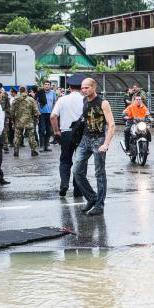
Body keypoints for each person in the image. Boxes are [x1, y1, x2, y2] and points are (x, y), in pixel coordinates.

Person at [72, 78, 116, 215]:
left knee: (99, 173)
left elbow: (112, 125)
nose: (84, 90)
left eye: (86, 88)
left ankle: (99, 205)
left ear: (94, 87)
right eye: (82, 88)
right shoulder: (84, 101)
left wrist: (106, 144)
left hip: (99, 140)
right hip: (85, 139)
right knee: (77, 171)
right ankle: (92, 197)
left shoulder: (103, 103)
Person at [51, 73, 87, 197]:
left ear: (70, 87)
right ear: (81, 87)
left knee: (65, 160)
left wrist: (56, 131)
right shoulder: (85, 100)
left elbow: (53, 116)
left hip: (66, 133)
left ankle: (64, 184)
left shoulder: (62, 99)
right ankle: (78, 189)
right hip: (82, 134)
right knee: (81, 161)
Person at [10, 86, 40, 157]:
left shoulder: (15, 100)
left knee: (17, 137)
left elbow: (11, 112)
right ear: (26, 91)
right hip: (29, 121)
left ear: (19, 91)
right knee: (31, 137)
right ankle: (33, 151)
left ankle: (16, 151)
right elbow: (36, 112)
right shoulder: (31, 99)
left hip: (18, 121)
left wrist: (13, 120)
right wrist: (36, 119)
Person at [37, 81, 57, 152]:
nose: (47, 86)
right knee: (42, 130)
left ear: (50, 86)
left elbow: (55, 103)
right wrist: (38, 111)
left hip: (50, 114)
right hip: (41, 114)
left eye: (48, 84)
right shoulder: (40, 93)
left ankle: (46, 146)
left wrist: (54, 112)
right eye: (45, 84)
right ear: (43, 85)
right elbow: (36, 103)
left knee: (49, 130)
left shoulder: (53, 93)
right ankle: (41, 146)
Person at [0, 87, 11, 153]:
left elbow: (8, 108)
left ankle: (5, 146)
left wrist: (6, 117)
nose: (1, 92)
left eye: (2, 91)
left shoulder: (6, 98)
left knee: (5, 132)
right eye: (0, 90)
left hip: (4, 117)